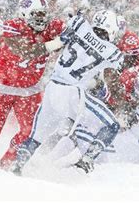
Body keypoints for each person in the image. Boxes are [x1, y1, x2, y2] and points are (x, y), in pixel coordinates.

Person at [12, 10, 124, 175]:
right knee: (112, 125)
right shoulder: (113, 52)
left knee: (35, 137)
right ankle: (86, 162)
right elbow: (113, 73)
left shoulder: (79, 24)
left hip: (52, 87)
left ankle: (17, 166)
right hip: (72, 92)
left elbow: (58, 43)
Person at [0, 0, 65, 171]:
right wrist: (57, 42)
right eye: (35, 14)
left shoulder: (51, 27)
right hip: (3, 87)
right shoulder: (11, 27)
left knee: (30, 131)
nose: (40, 19)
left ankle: (5, 163)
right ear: (23, 15)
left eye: (42, 14)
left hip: (30, 90)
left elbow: (72, 31)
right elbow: (27, 51)